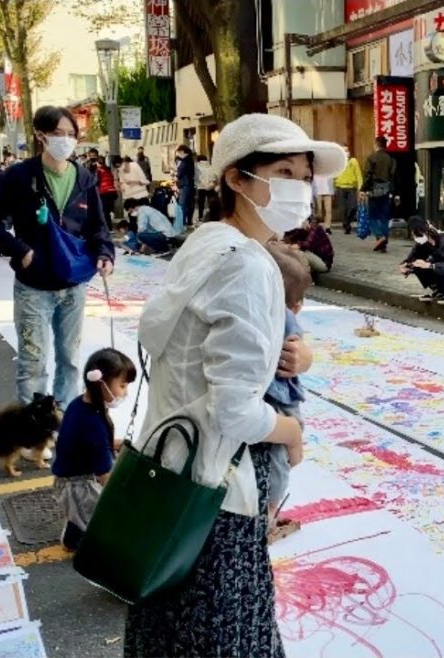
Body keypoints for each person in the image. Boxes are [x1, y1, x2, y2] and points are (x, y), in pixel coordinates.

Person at [126, 112, 335, 657]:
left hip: (169, 477)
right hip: (216, 495)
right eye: (283, 171)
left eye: (304, 174)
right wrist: (290, 431)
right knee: (226, 638)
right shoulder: (247, 264)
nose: (298, 187)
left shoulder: (207, 243)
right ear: (237, 180)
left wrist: (295, 356)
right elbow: (234, 412)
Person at [0, 106, 115, 411]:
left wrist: (104, 253)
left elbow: (98, 227)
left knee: (70, 360)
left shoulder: (85, 179)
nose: (65, 140)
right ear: (41, 136)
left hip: (73, 285)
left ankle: (62, 422)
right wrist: (19, 249)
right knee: (33, 363)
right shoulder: (19, 177)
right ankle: (33, 431)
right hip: (34, 287)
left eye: (71, 135)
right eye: (57, 134)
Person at [52, 348, 136, 551]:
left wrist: (117, 444)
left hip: (70, 478)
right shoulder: (93, 425)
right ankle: (80, 542)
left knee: (83, 516)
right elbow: (104, 475)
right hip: (79, 486)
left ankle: (74, 534)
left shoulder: (80, 403)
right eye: (122, 385)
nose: (125, 392)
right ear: (101, 383)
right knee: (101, 523)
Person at [261, 243, 312, 541]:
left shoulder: (269, 312)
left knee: (278, 459)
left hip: (278, 398)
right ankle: (266, 517)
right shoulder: (281, 316)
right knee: (278, 462)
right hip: (278, 402)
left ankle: (267, 511)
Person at [362, 136, 398, 252]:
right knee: (384, 218)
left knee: (372, 217)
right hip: (387, 190)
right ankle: (383, 245)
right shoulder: (391, 159)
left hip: (374, 190)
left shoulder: (371, 158)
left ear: (376, 144)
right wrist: (394, 193)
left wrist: (363, 189)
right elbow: (394, 177)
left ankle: (380, 236)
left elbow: (367, 175)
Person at [333, 144, 362, 234]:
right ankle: (346, 225)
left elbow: (358, 174)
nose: (346, 153)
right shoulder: (338, 162)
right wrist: (334, 184)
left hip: (351, 187)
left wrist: (360, 186)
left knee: (353, 207)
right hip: (340, 187)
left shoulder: (353, 161)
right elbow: (334, 174)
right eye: (344, 151)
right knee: (343, 209)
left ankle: (348, 221)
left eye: (347, 151)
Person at [88, 148, 119, 229]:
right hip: (110, 191)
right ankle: (108, 227)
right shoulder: (106, 168)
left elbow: (95, 180)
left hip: (103, 191)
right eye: (91, 156)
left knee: (103, 210)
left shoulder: (97, 168)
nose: (92, 158)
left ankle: (107, 227)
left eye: (94, 156)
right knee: (106, 211)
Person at [174, 144, 197, 228]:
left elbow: (180, 173)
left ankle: (181, 223)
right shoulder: (191, 160)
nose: (178, 155)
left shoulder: (185, 161)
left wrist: (176, 174)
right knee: (189, 204)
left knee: (182, 204)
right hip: (190, 184)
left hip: (184, 184)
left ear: (182, 152)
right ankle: (188, 222)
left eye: (178, 153)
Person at [195, 154, 217, 222]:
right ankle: (213, 216)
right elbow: (214, 176)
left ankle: (200, 217)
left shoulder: (197, 167)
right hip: (210, 186)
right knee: (211, 202)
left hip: (201, 187)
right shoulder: (210, 166)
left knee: (201, 203)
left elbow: (196, 177)